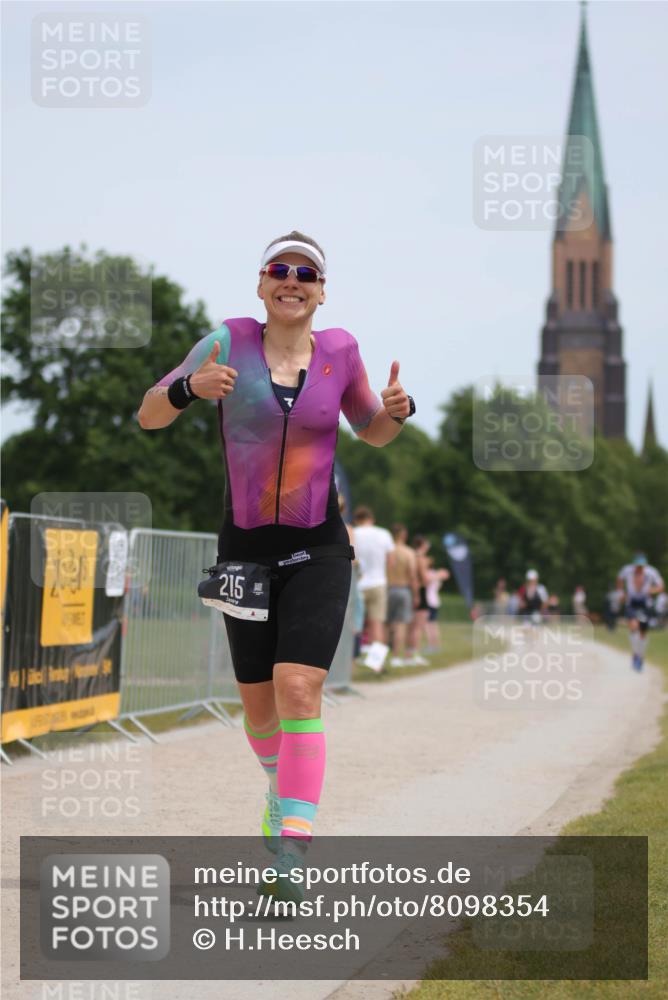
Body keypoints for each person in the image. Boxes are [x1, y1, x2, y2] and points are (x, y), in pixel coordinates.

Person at [137, 231, 416, 900]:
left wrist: (397, 415)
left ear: (323, 290)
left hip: (319, 544)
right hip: (245, 551)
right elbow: (148, 415)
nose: (293, 280)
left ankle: (291, 852)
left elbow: (370, 429)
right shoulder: (224, 342)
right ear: (261, 285)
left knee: (299, 689)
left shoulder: (341, 351)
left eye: (307, 273)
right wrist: (188, 391)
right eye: (279, 270)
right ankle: (277, 787)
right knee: (259, 709)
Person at [352, 506, 394, 651]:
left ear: (357, 520)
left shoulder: (353, 533)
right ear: (372, 519)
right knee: (377, 624)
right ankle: (377, 664)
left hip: (357, 584)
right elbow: (390, 562)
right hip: (378, 583)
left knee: (354, 624)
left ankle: (352, 661)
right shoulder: (384, 533)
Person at [616, 554, 665, 671]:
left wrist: (652, 590)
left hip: (645, 603)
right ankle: (635, 654)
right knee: (633, 626)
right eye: (637, 567)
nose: (639, 569)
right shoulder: (627, 570)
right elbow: (619, 579)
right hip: (632, 601)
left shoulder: (651, 572)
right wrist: (621, 593)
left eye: (641, 567)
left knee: (643, 633)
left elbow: (661, 586)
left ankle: (640, 656)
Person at [386, 523, 419, 667]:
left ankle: (380, 657)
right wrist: (416, 594)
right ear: (403, 535)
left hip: (388, 589)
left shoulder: (388, 551)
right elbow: (412, 574)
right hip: (403, 589)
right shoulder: (409, 552)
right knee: (400, 625)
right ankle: (395, 657)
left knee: (385, 625)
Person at [406, 535, 431, 665]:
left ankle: (409, 653)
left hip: (412, 591)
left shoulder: (411, 556)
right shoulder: (420, 558)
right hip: (420, 591)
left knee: (412, 626)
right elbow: (424, 578)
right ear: (423, 544)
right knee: (418, 626)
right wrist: (437, 576)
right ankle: (414, 654)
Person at [424, 558, 450, 652]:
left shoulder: (428, 574)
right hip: (435, 601)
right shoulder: (436, 574)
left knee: (428, 625)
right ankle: (436, 646)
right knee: (434, 624)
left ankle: (431, 646)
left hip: (428, 601)